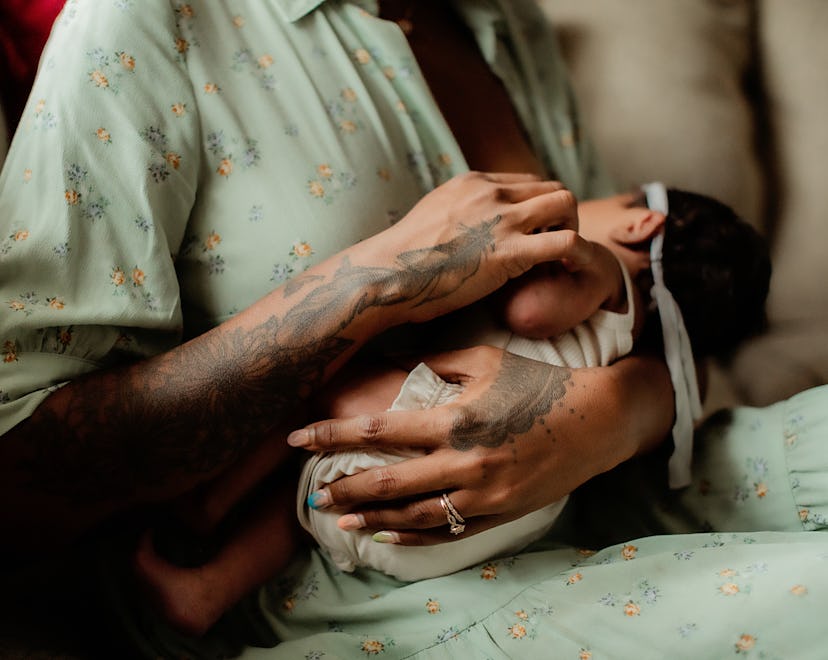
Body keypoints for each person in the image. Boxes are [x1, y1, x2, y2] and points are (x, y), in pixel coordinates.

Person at [0, 1, 823, 659]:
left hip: (601, 488)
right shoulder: (149, 22)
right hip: (363, 583)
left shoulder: (503, 24)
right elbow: (16, 486)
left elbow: (663, 320)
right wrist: (375, 283)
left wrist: (613, 415)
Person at [130, 182, 770, 634]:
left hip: (445, 440)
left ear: (640, 224)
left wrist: (550, 252)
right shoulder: (625, 352)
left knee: (325, 371)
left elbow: (529, 312)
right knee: (318, 499)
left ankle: (206, 504)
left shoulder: (604, 275)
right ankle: (206, 593)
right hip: (476, 524)